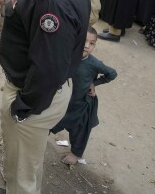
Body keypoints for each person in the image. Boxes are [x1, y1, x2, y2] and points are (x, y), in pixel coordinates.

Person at [0, 0, 90, 194]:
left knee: (24, 172)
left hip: (33, 97)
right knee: (25, 161)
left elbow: (49, 67)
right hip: (37, 92)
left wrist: (23, 107)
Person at [50, 27, 117, 165]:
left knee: (79, 131)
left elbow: (112, 74)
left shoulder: (94, 63)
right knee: (50, 120)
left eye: (92, 43)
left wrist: (94, 82)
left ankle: (76, 153)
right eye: (84, 40)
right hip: (63, 101)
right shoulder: (67, 55)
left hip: (81, 104)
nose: (87, 46)